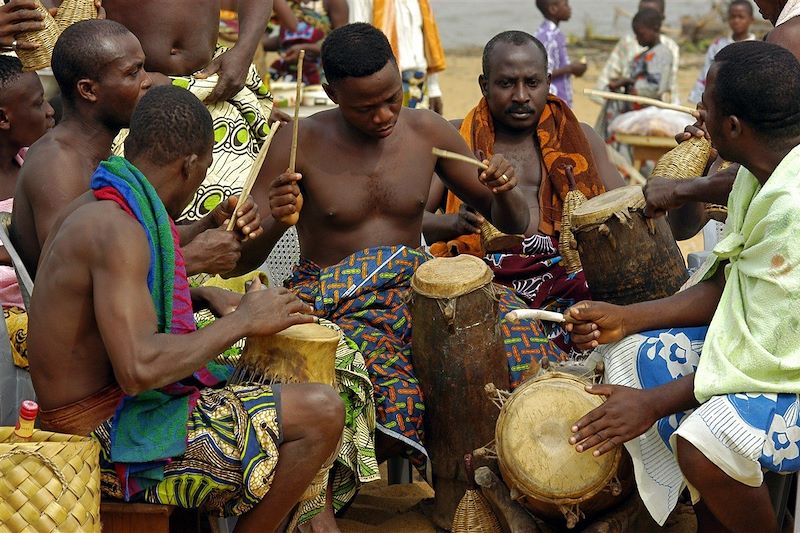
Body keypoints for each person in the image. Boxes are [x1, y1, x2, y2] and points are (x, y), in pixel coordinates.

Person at [248, 23, 566, 477]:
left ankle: (503, 474)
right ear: (331, 93)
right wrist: (277, 219)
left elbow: (513, 224)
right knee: (387, 377)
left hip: (415, 288)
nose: (383, 116)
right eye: (366, 107)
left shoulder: (426, 132)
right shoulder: (298, 143)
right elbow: (242, 257)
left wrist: (506, 191)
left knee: (512, 337)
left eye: (392, 97)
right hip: (336, 302)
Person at [27, 84, 343, 532]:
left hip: (103, 408)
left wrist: (202, 294)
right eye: (204, 171)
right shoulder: (116, 230)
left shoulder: (100, 203)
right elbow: (138, 369)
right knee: (322, 411)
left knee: (322, 368)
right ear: (191, 165)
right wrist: (244, 320)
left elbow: (103, 305)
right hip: (103, 436)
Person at [565, 41, 800, 532]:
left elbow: (763, 361)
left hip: (785, 366)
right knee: (635, 355)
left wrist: (654, 404)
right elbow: (728, 287)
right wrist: (626, 317)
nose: (699, 115)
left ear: (732, 128)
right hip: (772, 347)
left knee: (706, 446)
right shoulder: (758, 176)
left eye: (707, 107)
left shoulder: (791, 212)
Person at [424, 31, 624, 354]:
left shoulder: (580, 139)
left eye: (532, 83)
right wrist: (452, 225)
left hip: (570, 291)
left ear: (547, 82)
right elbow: (410, 219)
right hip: (484, 288)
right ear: (484, 85)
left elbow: (628, 215)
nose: (520, 95)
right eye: (506, 84)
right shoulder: (457, 141)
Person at [12, 20, 259, 279]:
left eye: (144, 68)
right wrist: (192, 260)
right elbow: (67, 273)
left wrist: (211, 223)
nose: (148, 81)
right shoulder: (57, 163)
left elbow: (144, 244)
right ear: (88, 90)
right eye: (133, 73)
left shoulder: (100, 156)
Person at [644, 0, 800, 242]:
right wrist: (701, 157)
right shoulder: (746, 164)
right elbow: (685, 227)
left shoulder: (788, 36)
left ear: (733, 125)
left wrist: (679, 189)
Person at [0, 56, 54, 369]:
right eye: (37, 104)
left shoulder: (34, 163)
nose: (49, 111)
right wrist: (15, 251)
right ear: (3, 118)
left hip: (36, 298)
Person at [348, 0, 446, 113]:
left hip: (418, 80)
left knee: (418, 128)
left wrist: (434, 89)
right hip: (384, 82)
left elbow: (428, 38)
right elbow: (357, 39)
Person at [596, 8, 674, 144]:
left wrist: (628, 81)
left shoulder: (660, 54)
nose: (637, 38)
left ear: (654, 29)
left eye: (640, 34)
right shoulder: (645, 54)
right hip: (634, 109)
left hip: (645, 112)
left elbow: (655, 87)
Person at [594, 0, 679, 105]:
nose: (645, 17)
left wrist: (629, 82)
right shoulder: (627, 43)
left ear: (660, 19)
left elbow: (663, 85)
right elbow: (606, 79)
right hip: (630, 101)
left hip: (655, 105)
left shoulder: (668, 48)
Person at [688, 0, 755, 105]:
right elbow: (706, 73)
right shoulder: (718, 45)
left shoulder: (756, 47)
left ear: (751, 20)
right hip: (718, 101)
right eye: (732, 17)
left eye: (741, 17)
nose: (736, 21)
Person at [266, 0, 349, 84]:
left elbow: (341, 42)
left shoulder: (334, 2)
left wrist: (306, 48)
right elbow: (285, 38)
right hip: (288, 78)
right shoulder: (285, 3)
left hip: (322, 77)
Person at [534, 0, 586, 108]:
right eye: (566, 4)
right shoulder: (548, 36)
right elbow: (540, 74)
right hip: (552, 100)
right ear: (553, 9)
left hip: (561, 98)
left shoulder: (554, 33)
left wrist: (572, 68)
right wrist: (570, 69)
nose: (570, 8)